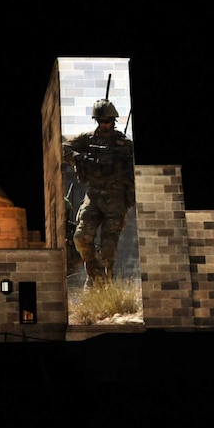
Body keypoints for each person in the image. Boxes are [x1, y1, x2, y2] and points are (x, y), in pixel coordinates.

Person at [62, 98, 135, 287]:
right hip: (93, 197)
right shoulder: (87, 139)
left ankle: (106, 284)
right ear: (97, 121)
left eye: (108, 121)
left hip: (116, 200)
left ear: (114, 121)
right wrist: (80, 158)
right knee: (80, 237)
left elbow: (134, 173)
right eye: (102, 121)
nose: (105, 125)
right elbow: (63, 149)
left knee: (108, 249)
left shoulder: (125, 145)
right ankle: (94, 274)